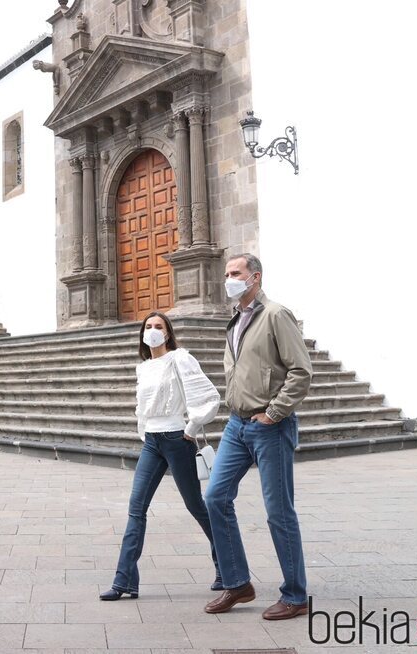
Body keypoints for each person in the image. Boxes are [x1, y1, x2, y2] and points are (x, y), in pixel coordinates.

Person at [203, 253, 313, 620]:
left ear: (255, 278)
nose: (228, 278)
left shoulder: (276, 315)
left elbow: (301, 371)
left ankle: (295, 595)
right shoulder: (235, 320)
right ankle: (237, 584)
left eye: (235, 273)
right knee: (215, 497)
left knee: (279, 512)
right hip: (236, 426)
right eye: (227, 273)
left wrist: (274, 412)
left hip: (270, 426)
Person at [100, 311, 223, 601]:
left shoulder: (180, 358)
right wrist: (145, 432)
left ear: (168, 334)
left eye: (159, 326)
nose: (153, 330)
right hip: (152, 443)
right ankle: (124, 581)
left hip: (177, 439)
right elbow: (142, 406)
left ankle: (226, 568)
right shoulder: (143, 367)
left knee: (196, 506)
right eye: (148, 326)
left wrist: (191, 427)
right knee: (136, 508)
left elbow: (209, 395)